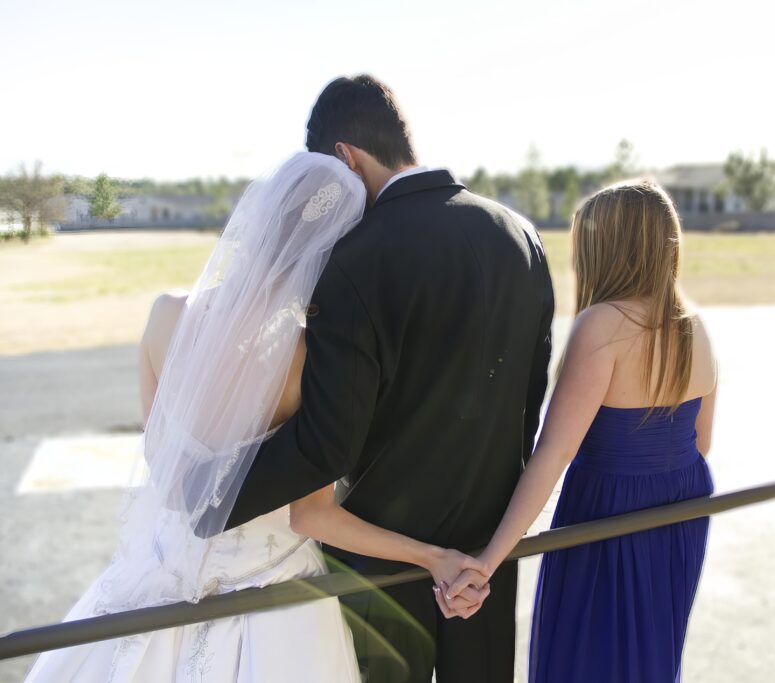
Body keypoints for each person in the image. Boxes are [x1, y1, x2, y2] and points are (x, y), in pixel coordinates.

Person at [24, 151, 488, 682]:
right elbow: (311, 516)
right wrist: (433, 557)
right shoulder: (306, 359)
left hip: (157, 577)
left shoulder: (164, 316)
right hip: (273, 594)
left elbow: (165, 467)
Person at [219, 75, 555, 683]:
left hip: (380, 569)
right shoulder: (521, 236)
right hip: (485, 563)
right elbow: (527, 406)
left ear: (346, 158)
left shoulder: (352, 259)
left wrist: (214, 494)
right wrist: (482, 557)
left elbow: (328, 445)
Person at [448, 180, 718, 682]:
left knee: (585, 658)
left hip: (608, 510)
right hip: (682, 507)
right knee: (649, 655)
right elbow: (700, 444)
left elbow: (553, 453)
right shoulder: (694, 325)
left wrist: (488, 559)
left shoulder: (603, 324)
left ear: (606, 248)